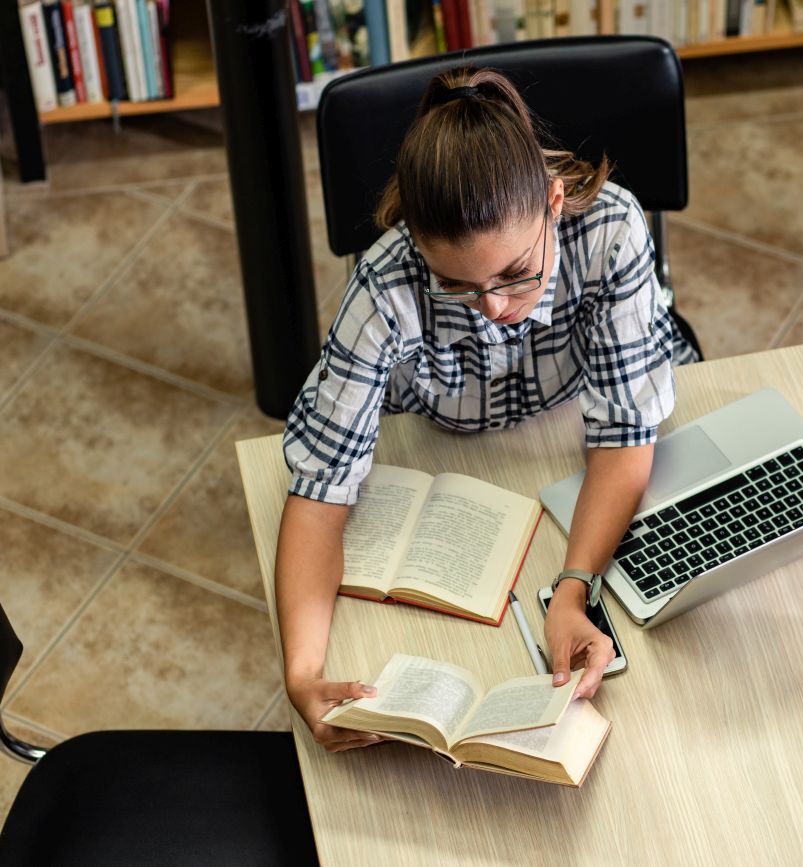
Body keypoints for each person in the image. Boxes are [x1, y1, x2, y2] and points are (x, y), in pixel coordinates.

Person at [277, 66, 699, 752]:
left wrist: (572, 590)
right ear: (418, 244)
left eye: (515, 273)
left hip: (568, 437)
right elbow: (319, 492)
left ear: (554, 203)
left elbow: (625, 433)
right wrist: (302, 672)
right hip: (438, 446)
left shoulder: (612, 229)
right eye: (456, 286)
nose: (495, 308)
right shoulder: (384, 284)